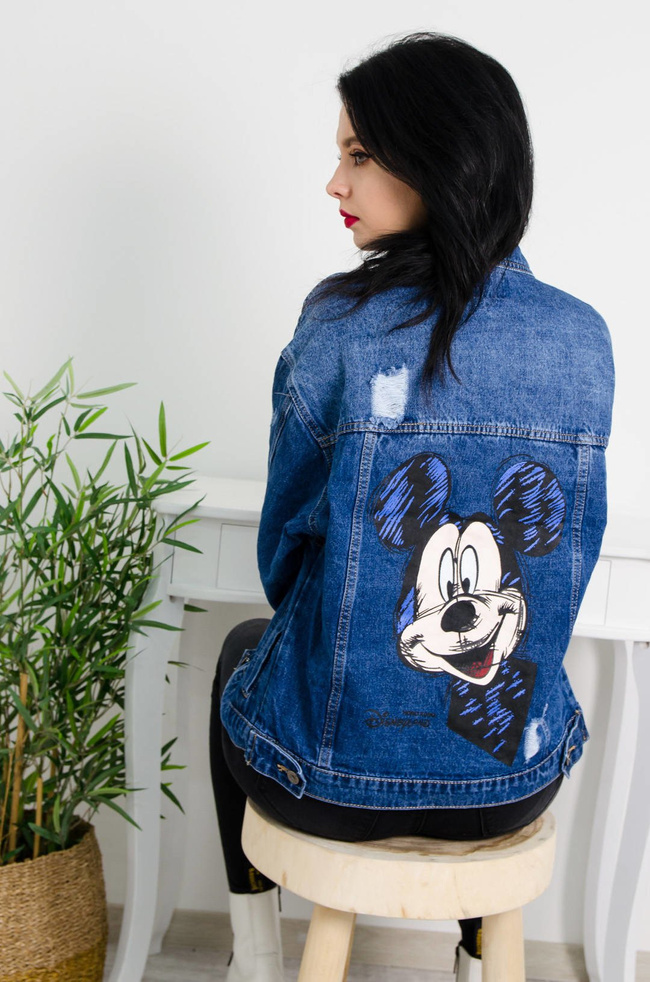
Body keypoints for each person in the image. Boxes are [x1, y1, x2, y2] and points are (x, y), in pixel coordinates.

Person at [209, 31, 614, 982]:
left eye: (358, 154)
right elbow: (565, 565)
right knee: (496, 701)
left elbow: (284, 560)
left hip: (332, 788)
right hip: (509, 789)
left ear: (434, 158)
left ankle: (255, 956)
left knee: (238, 652)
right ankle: (478, 957)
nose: (334, 183)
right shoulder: (583, 340)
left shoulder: (339, 327)